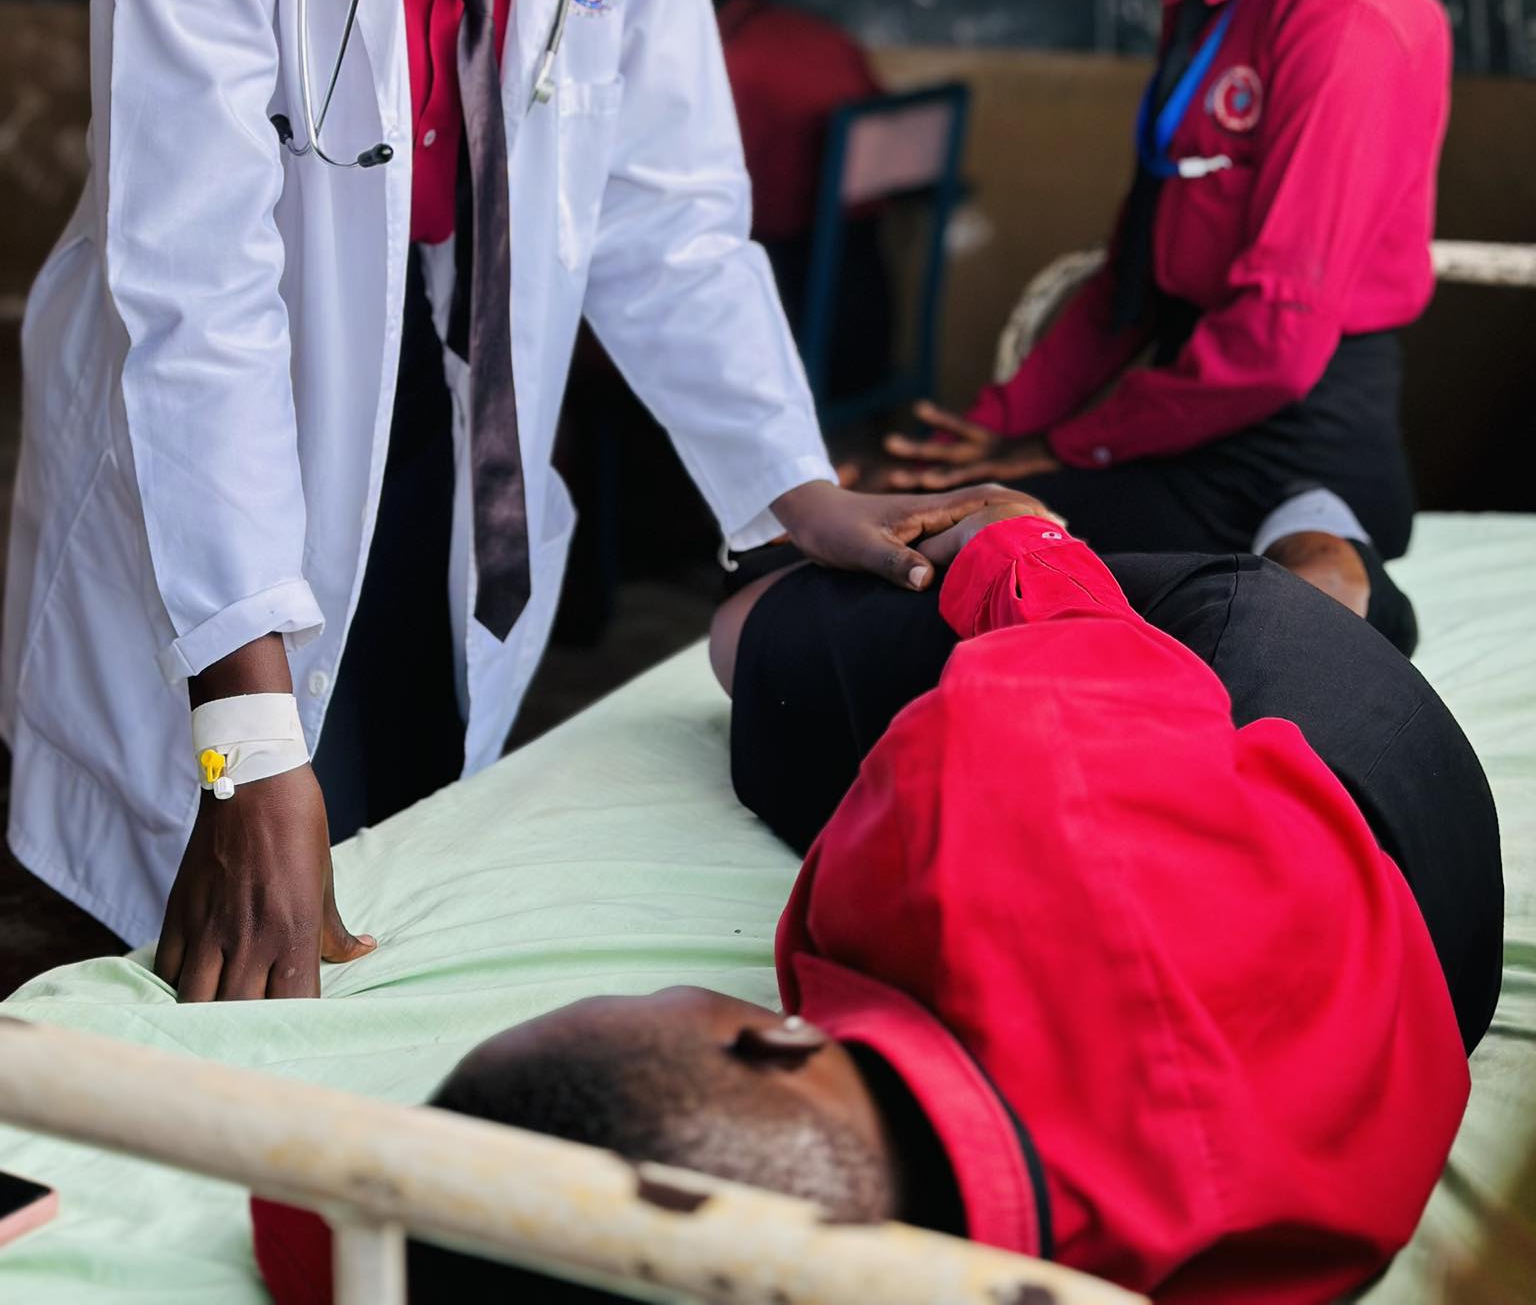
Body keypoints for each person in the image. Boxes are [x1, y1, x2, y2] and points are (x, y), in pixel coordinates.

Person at [0, 0, 999, 999]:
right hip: (236, 394)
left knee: (407, 810)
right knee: (209, 883)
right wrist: (249, 747)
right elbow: (199, 298)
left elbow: (665, 208)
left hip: (458, 373)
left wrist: (793, 490)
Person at [249, 500, 1501, 1304]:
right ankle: (1326, 574)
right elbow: (1077, 649)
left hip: (1443, 960)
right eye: (636, 1004)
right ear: (768, 1036)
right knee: (748, 634)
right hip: (1315, 718)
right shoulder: (994, 804)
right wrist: (1022, 536)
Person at [883, 0, 1449, 650]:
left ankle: (1342, 595)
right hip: (1194, 402)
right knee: (934, 539)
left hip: (1295, 432)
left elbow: (1275, 344)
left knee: (1264, 619)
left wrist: (1063, 446)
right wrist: (995, 425)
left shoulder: (1345, 13)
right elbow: (1129, 281)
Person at [693, 0, 891, 397]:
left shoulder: (727, 64)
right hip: (870, 298)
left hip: (790, 318)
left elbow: (708, 211)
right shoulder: (830, 39)